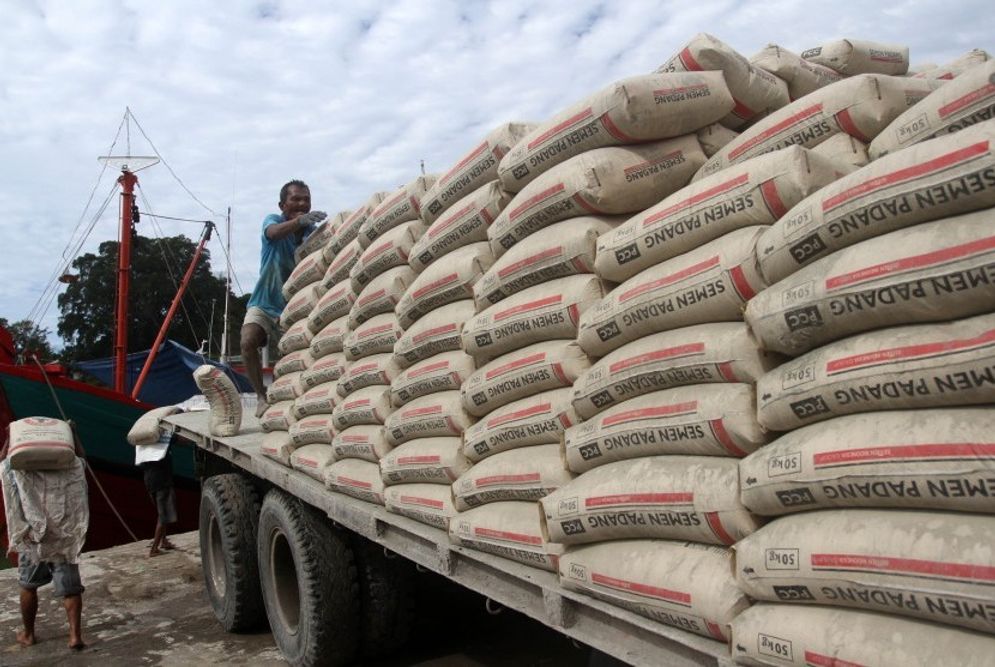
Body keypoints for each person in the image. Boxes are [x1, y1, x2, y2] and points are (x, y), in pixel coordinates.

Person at [241, 180, 326, 417]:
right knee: (248, 341)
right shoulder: (274, 222)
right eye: (296, 199)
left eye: (306, 199)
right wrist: (298, 221)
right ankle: (260, 397)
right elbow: (272, 233)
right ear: (282, 204)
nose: (302, 203)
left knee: (292, 362)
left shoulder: (312, 235)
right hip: (263, 301)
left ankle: (292, 404)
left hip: (292, 309)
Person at [1, 424, 89, 651]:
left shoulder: (20, 471)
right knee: (71, 589)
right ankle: (74, 636)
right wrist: (73, 433)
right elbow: (81, 459)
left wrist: (10, 439)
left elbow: (3, 464)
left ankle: (29, 634)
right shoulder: (70, 469)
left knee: (28, 586)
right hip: (63, 538)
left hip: (33, 539)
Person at [137, 429, 178, 557]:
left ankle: (164, 541)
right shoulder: (164, 438)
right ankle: (154, 548)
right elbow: (181, 440)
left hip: (149, 479)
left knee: (161, 512)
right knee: (163, 515)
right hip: (162, 480)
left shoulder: (144, 440)